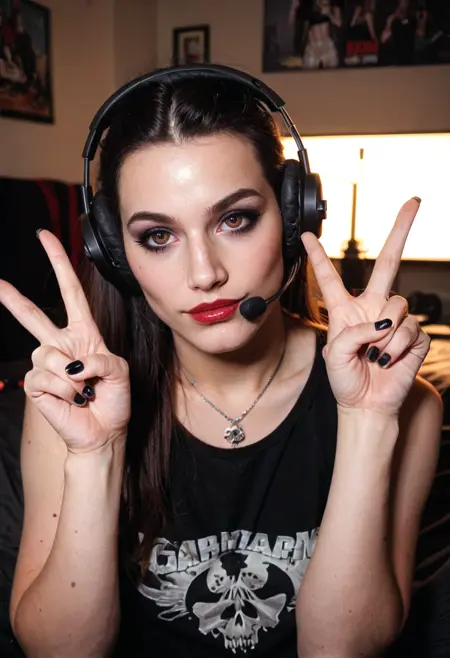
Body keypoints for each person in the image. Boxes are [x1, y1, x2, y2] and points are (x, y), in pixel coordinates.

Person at [0, 65, 443, 658]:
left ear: (294, 215)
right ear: (115, 253)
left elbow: (340, 649)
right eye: (158, 236)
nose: (205, 274)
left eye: (235, 219)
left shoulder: (409, 408)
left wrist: (367, 420)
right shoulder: (69, 407)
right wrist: (94, 455)